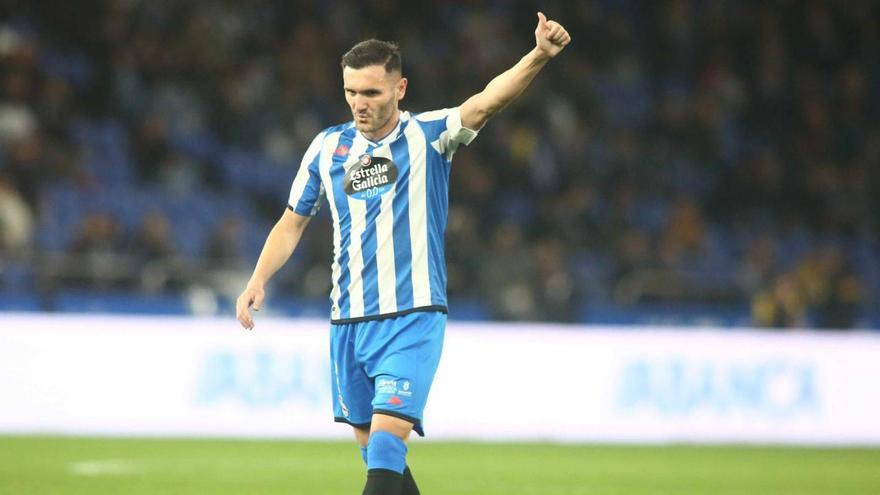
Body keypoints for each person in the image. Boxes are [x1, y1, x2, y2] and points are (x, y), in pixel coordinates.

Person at [236, 12, 570, 495]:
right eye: (351, 92)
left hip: (412, 316)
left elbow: (488, 101)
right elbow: (292, 222)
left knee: (389, 447)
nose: (359, 103)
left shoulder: (430, 135)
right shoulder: (327, 148)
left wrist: (538, 55)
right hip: (348, 322)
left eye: (371, 93)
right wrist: (257, 279)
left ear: (400, 89)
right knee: (376, 454)